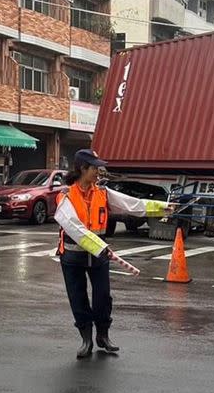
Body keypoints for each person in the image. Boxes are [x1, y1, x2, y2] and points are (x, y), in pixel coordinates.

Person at [54, 149, 171, 359]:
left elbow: (132, 204)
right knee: (77, 298)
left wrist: (163, 208)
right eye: (95, 168)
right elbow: (73, 227)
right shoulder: (65, 197)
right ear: (82, 168)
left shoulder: (103, 193)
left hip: (99, 256)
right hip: (73, 257)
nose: (99, 172)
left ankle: (103, 336)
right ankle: (86, 339)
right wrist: (100, 247)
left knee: (103, 297)